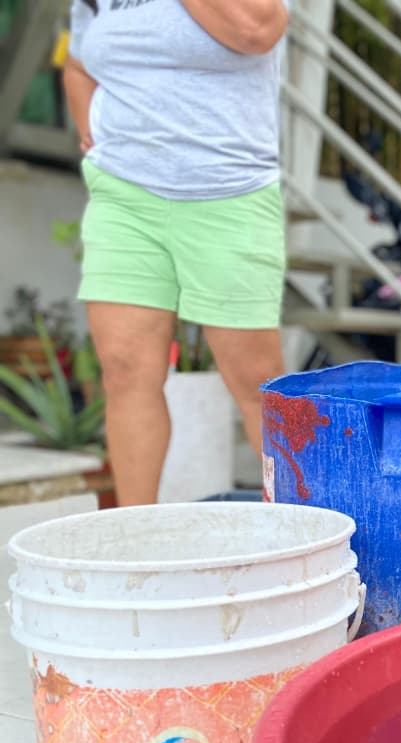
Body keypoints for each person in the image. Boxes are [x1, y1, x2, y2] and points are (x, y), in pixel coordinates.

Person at [64, 0, 289, 506]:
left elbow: (257, 27)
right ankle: (134, 542)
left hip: (228, 193)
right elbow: (80, 63)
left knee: (257, 384)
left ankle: (301, 538)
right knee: (124, 370)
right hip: (122, 195)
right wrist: (92, 134)